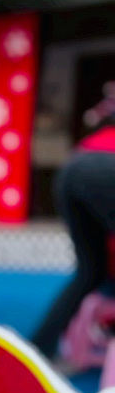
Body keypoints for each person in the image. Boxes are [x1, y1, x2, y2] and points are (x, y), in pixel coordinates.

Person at [32, 125, 115, 359]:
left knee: (90, 272)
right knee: (94, 273)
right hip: (107, 168)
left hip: (71, 169)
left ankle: (38, 349)